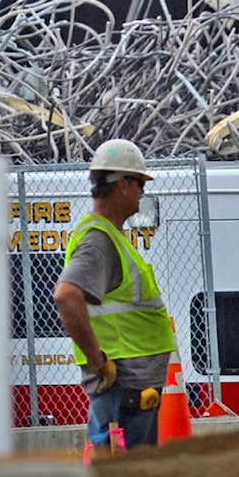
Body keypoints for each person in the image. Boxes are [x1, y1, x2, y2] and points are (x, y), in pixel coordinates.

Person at [53, 138, 175, 449]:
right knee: (129, 471)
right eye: (139, 183)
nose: (143, 191)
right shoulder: (99, 241)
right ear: (122, 185)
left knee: (119, 466)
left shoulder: (108, 236)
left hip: (129, 383)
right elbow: (67, 295)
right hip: (125, 382)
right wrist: (98, 360)